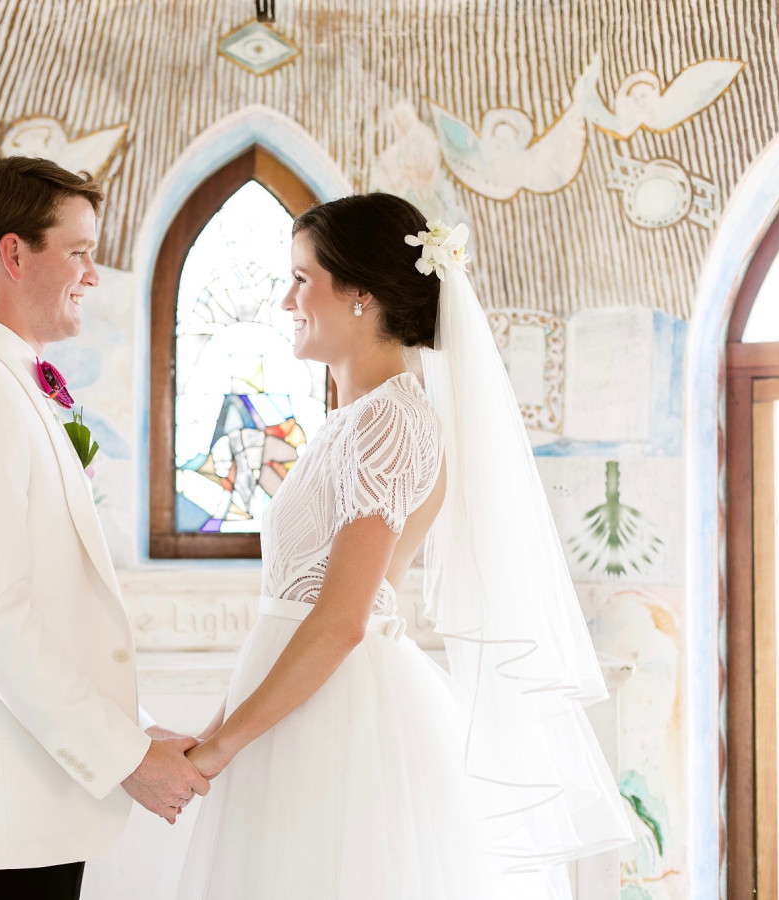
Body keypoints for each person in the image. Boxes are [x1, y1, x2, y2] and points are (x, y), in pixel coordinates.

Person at [178, 193, 632, 898]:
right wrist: (213, 736)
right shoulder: (354, 420)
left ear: (360, 293)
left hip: (337, 719)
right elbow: (295, 610)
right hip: (297, 710)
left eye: (303, 278)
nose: (286, 301)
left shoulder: (390, 421)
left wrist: (220, 747)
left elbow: (339, 620)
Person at [0, 156, 209, 899]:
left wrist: (137, 729)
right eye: (80, 252)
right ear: (15, 254)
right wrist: (126, 758)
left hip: (20, 797)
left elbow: (53, 611)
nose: (93, 274)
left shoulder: (5, 385)